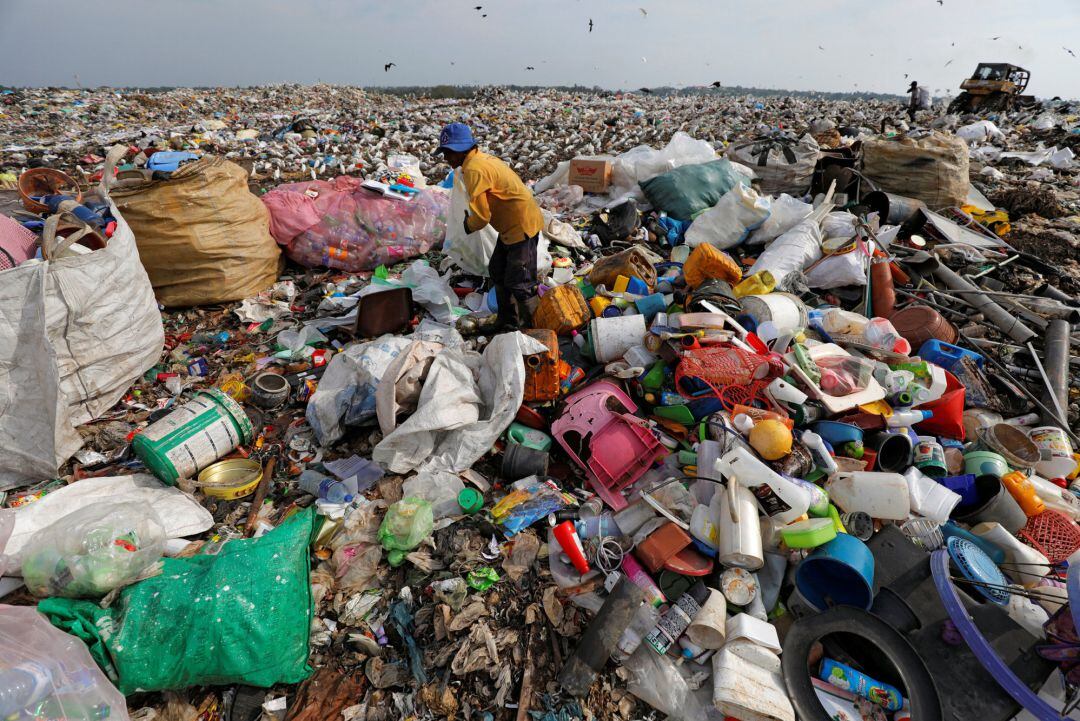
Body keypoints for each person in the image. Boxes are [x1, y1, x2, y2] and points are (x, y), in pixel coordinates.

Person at [436, 122, 544, 329]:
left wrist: (466, 226)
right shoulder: (478, 160)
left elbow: (482, 217)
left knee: (520, 283)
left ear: (459, 150)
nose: (446, 158)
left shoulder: (475, 169)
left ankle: (535, 330)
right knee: (497, 270)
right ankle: (507, 322)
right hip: (510, 227)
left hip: (521, 226)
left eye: (448, 153)